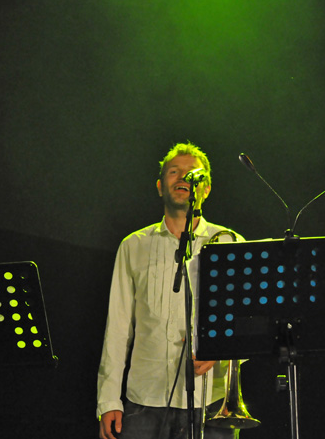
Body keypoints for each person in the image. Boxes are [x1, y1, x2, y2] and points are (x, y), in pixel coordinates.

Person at [97, 143, 243, 439]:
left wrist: (219, 350)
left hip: (210, 400)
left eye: (193, 174)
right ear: (160, 186)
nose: (183, 178)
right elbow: (118, 328)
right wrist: (109, 400)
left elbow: (249, 320)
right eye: (174, 172)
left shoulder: (231, 242)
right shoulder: (133, 245)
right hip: (144, 399)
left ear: (206, 189)